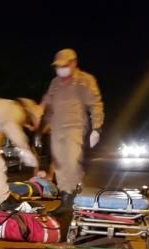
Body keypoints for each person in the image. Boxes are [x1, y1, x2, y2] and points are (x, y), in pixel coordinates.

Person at [41, 48, 104, 213]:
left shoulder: (85, 80)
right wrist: (44, 122)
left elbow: (95, 104)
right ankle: (65, 199)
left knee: (71, 163)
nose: (60, 68)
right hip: (56, 128)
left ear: (73, 63)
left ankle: (76, 198)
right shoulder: (55, 82)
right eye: (58, 66)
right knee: (60, 165)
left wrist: (97, 127)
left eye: (64, 65)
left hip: (74, 127)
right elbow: (48, 103)